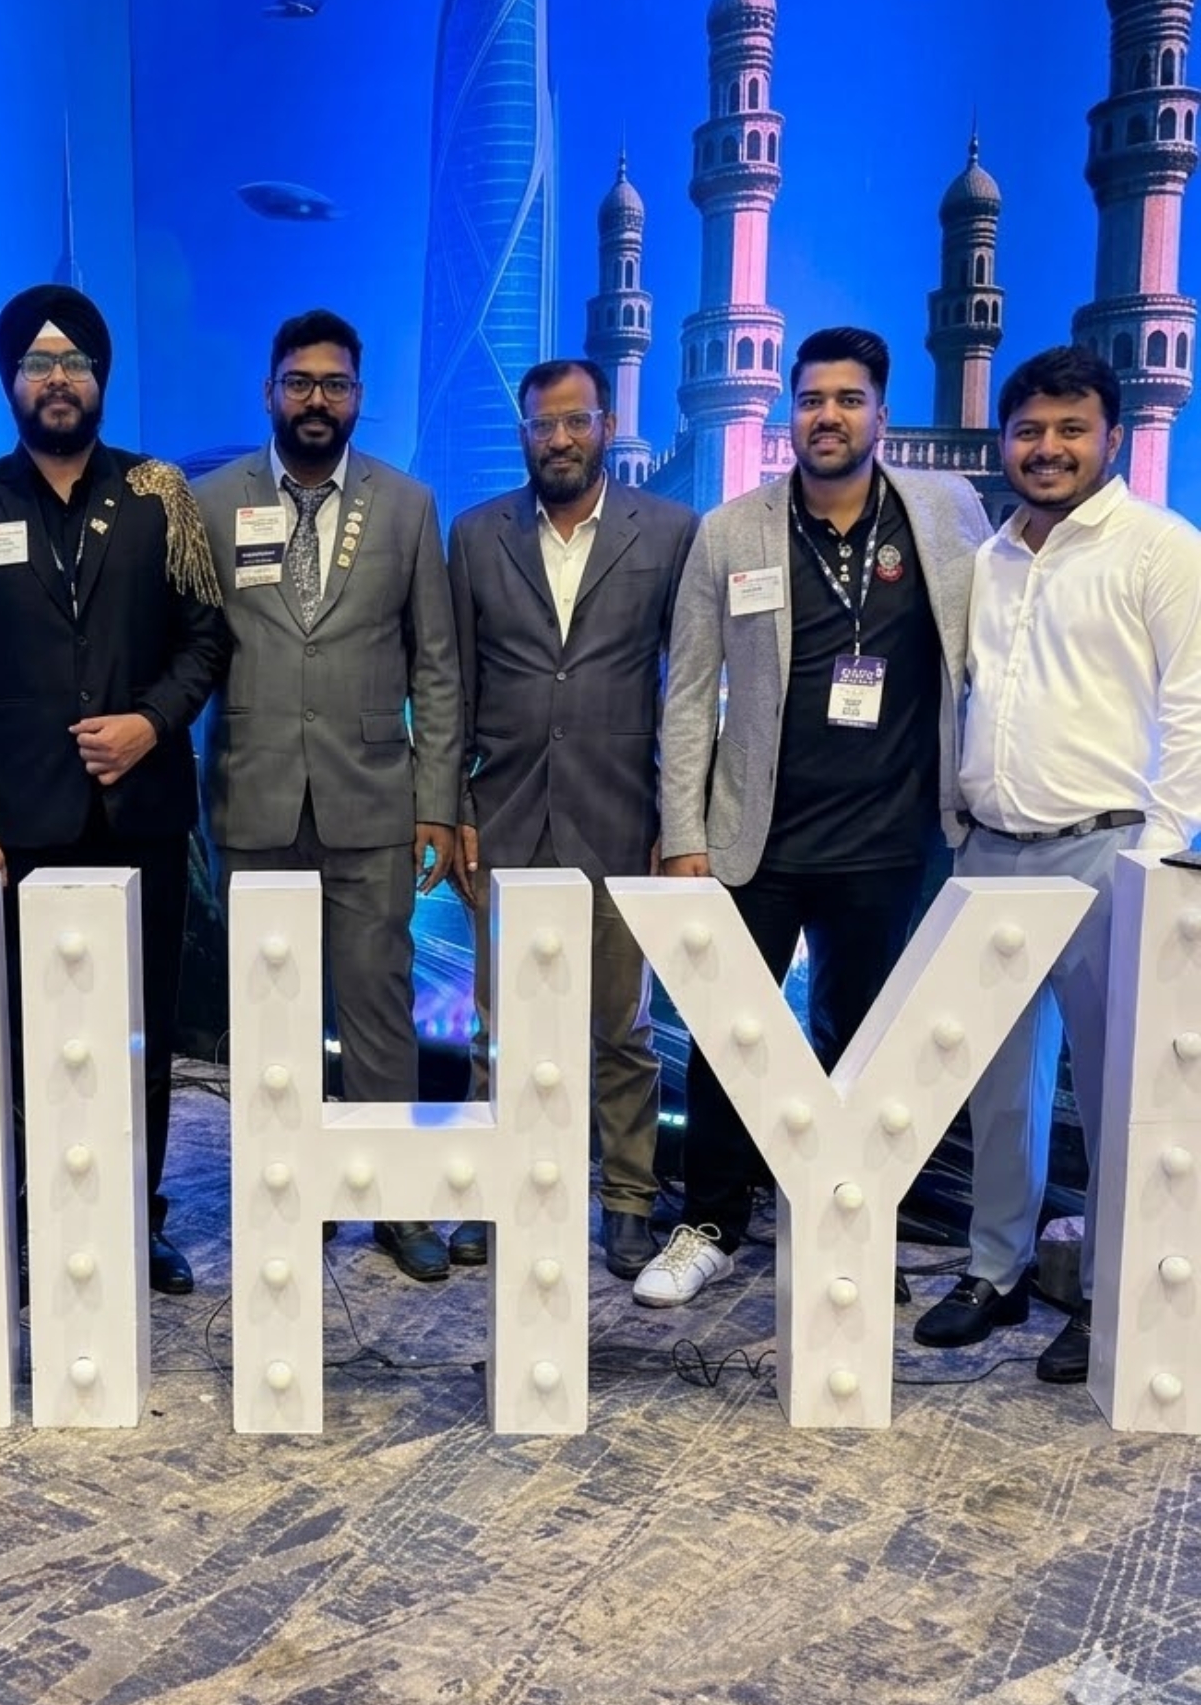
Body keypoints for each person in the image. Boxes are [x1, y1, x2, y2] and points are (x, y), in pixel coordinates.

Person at [642, 326, 989, 1307]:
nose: (826, 417)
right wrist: (684, 834)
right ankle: (711, 1225)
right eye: (810, 400)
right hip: (756, 834)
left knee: (864, 1043)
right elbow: (687, 692)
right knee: (729, 1038)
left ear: (881, 412)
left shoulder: (945, 511)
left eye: (847, 400)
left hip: (889, 838)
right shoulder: (731, 531)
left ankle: (846, 1228)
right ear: (788, 411)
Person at [0, 285, 228, 1295]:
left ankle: (136, 1214)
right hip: (16, 830)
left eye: (75, 363)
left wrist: (151, 722)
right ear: (10, 381)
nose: (57, 380)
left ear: (101, 378)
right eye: (37, 364)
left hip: (142, 817)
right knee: (26, 1038)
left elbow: (206, 641)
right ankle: (38, 1211)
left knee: (141, 1036)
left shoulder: (158, 493)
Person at [914, 345, 1201, 1382]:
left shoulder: (1161, 549)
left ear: (1111, 437)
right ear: (1004, 441)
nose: (1047, 448)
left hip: (1109, 852)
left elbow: (1193, 706)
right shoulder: (990, 559)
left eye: (1070, 429)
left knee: (1117, 1093)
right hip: (992, 853)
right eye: (1029, 430)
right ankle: (996, 1269)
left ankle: (1109, 1293)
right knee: (998, 1082)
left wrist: (1160, 858)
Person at [196, 309, 463, 1282]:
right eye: (299, 382)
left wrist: (438, 802)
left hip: (372, 800)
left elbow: (436, 666)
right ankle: (291, 1192)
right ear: (269, 391)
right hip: (253, 796)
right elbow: (188, 653)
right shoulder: (210, 504)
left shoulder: (407, 506)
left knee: (379, 1004)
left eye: (335, 384)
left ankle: (395, 1200)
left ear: (359, 397)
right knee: (270, 1013)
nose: (317, 399)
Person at [446, 358, 698, 1279]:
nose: (559, 439)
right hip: (505, 812)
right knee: (498, 1028)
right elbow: (454, 682)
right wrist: (454, 807)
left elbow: (687, 687)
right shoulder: (475, 535)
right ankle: (494, 1192)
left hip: (619, 813)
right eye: (542, 425)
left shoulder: (669, 531)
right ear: (524, 433)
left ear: (607, 425)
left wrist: (679, 817)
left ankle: (628, 1200)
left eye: (576, 421)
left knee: (621, 1029)